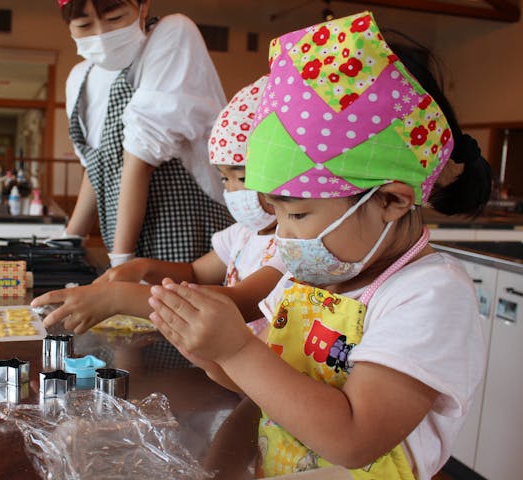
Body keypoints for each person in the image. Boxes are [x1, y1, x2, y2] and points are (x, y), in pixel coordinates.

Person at [148, 11, 491, 480]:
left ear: (391, 200)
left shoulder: (430, 294)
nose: (281, 237)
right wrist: (210, 354)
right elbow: (270, 399)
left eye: (297, 214)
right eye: (276, 213)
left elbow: (354, 439)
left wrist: (236, 351)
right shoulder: (321, 274)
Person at [32, 76, 284, 334]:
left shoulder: (293, 248)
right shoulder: (243, 233)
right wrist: (144, 266)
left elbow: (237, 302)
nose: (230, 189)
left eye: (241, 177)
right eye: (223, 178)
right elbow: (196, 273)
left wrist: (119, 297)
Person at [58, 0, 233, 266]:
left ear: (143, 7)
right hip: (124, 236)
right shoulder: (79, 78)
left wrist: (121, 259)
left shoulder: (172, 33)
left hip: (188, 229)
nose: (101, 35)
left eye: (115, 18)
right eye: (84, 25)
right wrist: (70, 239)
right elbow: (97, 168)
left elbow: (139, 159)